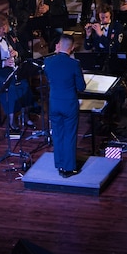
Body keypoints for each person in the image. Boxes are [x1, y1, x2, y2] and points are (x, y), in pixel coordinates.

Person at [0, 13, 34, 132]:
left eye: (5, 26)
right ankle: (11, 120)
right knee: (9, 88)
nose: (5, 29)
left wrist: (16, 53)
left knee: (23, 84)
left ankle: (25, 115)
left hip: (9, 70)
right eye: (1, 27)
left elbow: (21, 50)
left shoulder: (9, 37)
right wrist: (3, 63)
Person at [42, 35, 87, 177]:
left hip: (54, 103)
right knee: (70, 135)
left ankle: (59, 164)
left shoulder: (48, 62)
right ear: (72, 48)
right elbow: (81, 87)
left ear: (58, 46)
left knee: (57, 134)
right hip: (69, 105)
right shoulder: (74, 64)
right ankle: (68, 168)